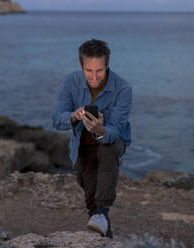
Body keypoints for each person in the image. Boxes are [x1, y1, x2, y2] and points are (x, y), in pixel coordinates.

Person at [52, 39, 132, 239]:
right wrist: (73, 116)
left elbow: (115, 130)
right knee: (91, 202)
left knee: (107, 147)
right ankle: (105, 234)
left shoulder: (123, 88)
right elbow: (57, 118)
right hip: (82, 147)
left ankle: (103, 212)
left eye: (100, 71)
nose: (94, 77)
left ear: (107, 66)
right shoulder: (71, 81)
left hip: (112, 142)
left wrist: (100, 129)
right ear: (81, 66)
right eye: (89, 71)